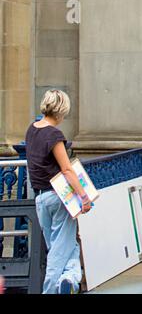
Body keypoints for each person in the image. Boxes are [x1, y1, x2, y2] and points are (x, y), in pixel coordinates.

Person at [25, 90, 93, 293]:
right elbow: (66, 169)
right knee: (58, 251)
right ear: (61, 110)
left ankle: (70, 280)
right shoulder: (54, 135)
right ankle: (51, 289)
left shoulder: (32, 129)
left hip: (40, 198)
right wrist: (84, 196)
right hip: (59, 197)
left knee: (65, 246)